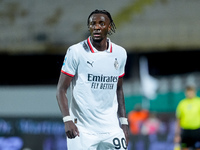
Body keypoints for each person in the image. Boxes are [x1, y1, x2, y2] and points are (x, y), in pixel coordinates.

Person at [56, 9, 128, 150]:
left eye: (101, 23)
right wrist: (67, 120)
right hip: (82, 130)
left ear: (109, 27)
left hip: (111, 128)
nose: (96, 27)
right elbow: (61, 90)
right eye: (92, 23)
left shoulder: (120, 53)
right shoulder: (76, 51)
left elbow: (119, 90)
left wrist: (124, 123)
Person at [174, 85, 200, 150]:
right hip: (186, 131)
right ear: (186, 93)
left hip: (197, 130)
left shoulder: (198, 102)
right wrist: (177, 134)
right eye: (188, 91)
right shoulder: (182, 103)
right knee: (184, 148)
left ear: (194, 92)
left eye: (191, 91)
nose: (190, 93)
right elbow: (178, 119)